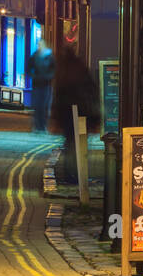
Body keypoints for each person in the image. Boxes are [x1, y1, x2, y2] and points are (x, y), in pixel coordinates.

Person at [50, 48, 101, 183]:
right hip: (83, 114)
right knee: (81, 145)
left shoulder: (62, 73)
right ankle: (79, 174)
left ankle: (70, 174)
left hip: (67, 115)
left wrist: (56, 118)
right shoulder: (81, 69)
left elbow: (58, 97)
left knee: (70, 144)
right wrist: (96, 117)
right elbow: (92, 92)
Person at [26, 39, 55, 133]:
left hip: (46, 85)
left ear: (45, 45)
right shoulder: (34, 56)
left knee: (44, 106)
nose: (39, 46)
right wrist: (34, 76)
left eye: (40, 44)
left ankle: (43, 126)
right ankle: (37, 126)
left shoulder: (50, 57)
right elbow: (28, 69)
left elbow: (54, 69)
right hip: (37, 84)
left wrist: (48, 77)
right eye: (38, 44)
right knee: (37, 106)